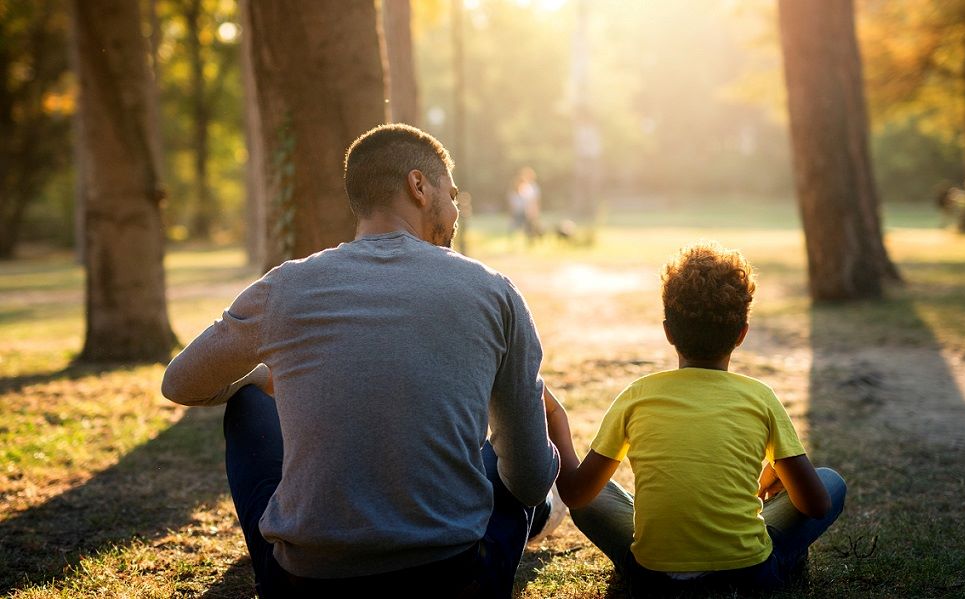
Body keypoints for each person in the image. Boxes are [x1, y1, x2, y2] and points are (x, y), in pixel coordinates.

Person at [161, 124, 561, 598]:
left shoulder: (284, 287)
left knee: (247, 404)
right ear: (419, 185)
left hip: (306, 584)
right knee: (509, 457)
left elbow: (179, 383)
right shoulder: (493, 290)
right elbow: (530, 480)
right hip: (454, 580)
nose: (455, 212)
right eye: (452, 195)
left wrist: (267, 375)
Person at [543, 242, 847, 597]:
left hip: (653, 580)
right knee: (829, 482)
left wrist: (556, 418)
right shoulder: (760, 398)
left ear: (668, 331)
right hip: (748, 576)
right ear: (742, 334)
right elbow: (815, 504)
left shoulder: (636, 395)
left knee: (596, 495)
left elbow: (577, 495)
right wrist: (781, 469)